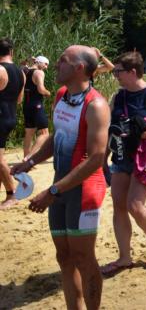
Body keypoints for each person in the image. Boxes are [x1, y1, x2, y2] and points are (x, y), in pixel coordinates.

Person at [12, 45, 110, 310]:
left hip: (84, 190)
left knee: (83, 258)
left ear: (79, 68)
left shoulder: (96, 105)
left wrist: (53, 191)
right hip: (60, 187)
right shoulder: (62, 95)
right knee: (64, 257)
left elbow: (96, 159)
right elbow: (58, 136)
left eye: (62, 61)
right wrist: (29, 162)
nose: (56, 65)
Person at [102, 52, 146, 275]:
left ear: (132, 72)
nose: (115, 75)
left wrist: (139, 133)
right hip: (121, 156)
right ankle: (124, 257)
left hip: (145, 157)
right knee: (119, 206)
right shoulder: (118, 97)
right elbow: (112, 130)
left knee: (135, 205)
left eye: (118, 71)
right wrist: (103, 157)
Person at [0, 37, 25, 208]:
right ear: (11, 52)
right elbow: (19, 99)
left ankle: (12, 194)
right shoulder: (20, 72)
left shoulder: (0, 70)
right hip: (10, 116)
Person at [23, 55, 51, 160]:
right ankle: (29, 157)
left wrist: (28, 60)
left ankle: (25, 156)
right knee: (45, 133)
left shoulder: (25, 71)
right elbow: (41, 89)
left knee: (29, 133)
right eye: (45, 64)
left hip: (26, 105)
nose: (46, 67)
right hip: (36, 105)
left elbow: (22, 64)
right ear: (39, 62)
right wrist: (48, 93)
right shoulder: (39, 73)